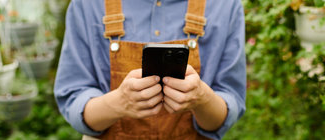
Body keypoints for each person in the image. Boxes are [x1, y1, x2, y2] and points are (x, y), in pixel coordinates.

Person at [54, 0, 246, 139]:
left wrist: (203, 99)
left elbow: (227, 108)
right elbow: (73, 99)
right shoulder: (87, 5)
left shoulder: (226, 5)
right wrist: (119, 103)